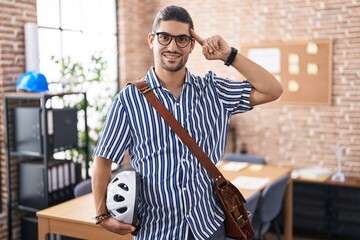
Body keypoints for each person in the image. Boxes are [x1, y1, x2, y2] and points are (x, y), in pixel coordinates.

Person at [92, 5, 282, 240]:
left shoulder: (214, 91)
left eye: (182, 39)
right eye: (164, 37)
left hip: (208, 226)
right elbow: (103, 160)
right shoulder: (128, 100)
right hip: (157, 231)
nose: (172, 47)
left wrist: (228, 55)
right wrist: (101, 215)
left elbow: (273, 90)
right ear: (152, 40)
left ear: (193, 45)